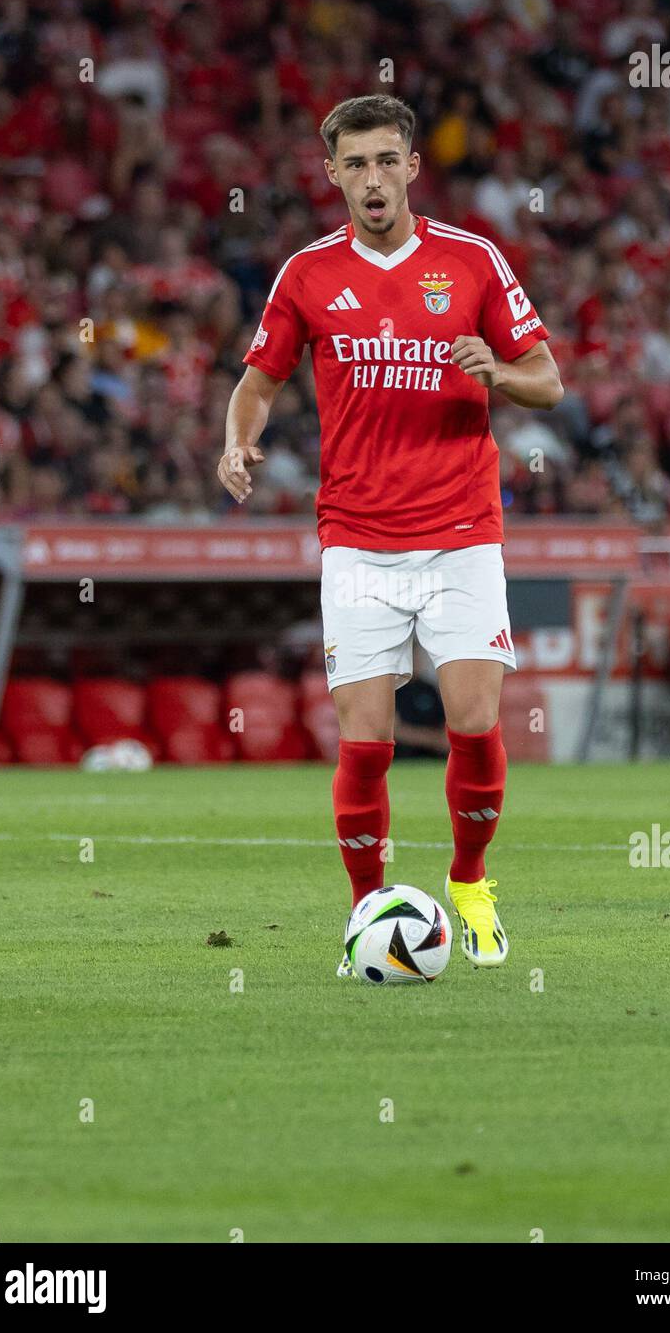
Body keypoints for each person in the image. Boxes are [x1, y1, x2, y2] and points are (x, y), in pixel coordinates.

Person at [217, 94, 563, 975]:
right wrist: (237, 437)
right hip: (358, 538)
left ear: (413, 166)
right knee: (365, 744)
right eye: (355, 164)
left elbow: (548, 381)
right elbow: (259, 380)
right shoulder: (305, 275)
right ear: (331, 173)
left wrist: (500, 373)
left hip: (460, 530)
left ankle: (471, 883)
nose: (372, 179)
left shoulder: (473, 261)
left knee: (475, 724)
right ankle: (366, 912)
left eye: (386, 161)